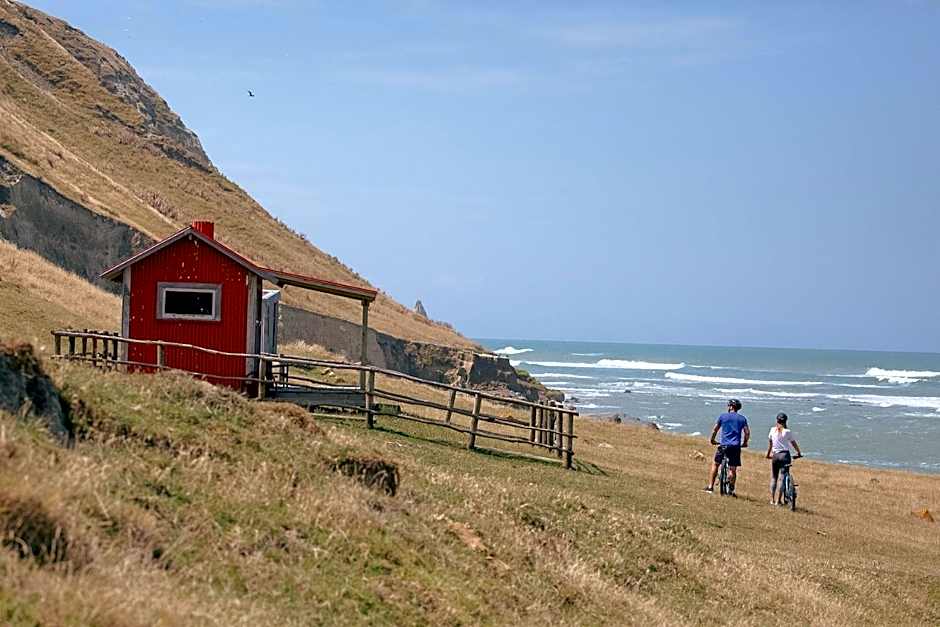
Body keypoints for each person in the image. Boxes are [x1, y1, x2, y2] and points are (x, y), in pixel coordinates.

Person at [704, 399, 750, 495]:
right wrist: (745, 442)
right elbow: (747, 432)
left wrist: (712, 439)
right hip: (735, 446)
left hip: (724, 445)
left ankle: (710, 487)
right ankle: (731, 490)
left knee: (716, 464)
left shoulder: (723, 416)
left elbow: (715, 429)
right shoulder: (742, 419)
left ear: (730, 407)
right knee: (733, 469)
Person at [766, 412, 802, 505]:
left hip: (775, 456)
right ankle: (778, 501)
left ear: (777, 420)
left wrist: (768, 454)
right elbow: (794, 444)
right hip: (785, 455)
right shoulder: (787, 432)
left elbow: (770, 444)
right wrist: (798, 453)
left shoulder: (772, 430)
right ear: (785, 421)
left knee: (774, 477)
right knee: (782, 478)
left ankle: (772, 499)